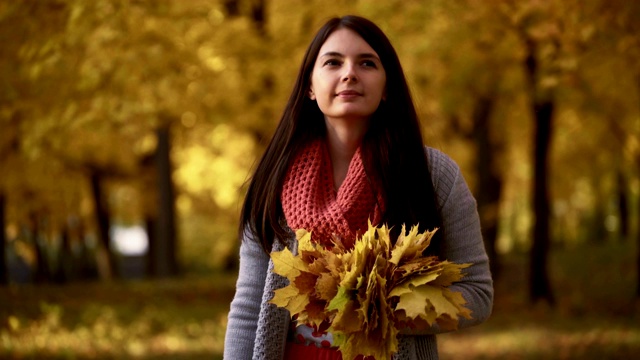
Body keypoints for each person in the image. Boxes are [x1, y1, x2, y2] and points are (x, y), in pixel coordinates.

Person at [223, 15, 493, 360]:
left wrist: (380, 311)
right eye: (333, 62)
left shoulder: (433, 174)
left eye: (367, 63)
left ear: (387, 87)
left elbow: (477, 294)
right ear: (309, 86)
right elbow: (248, 306)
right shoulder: (274, 175)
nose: (349, 73)